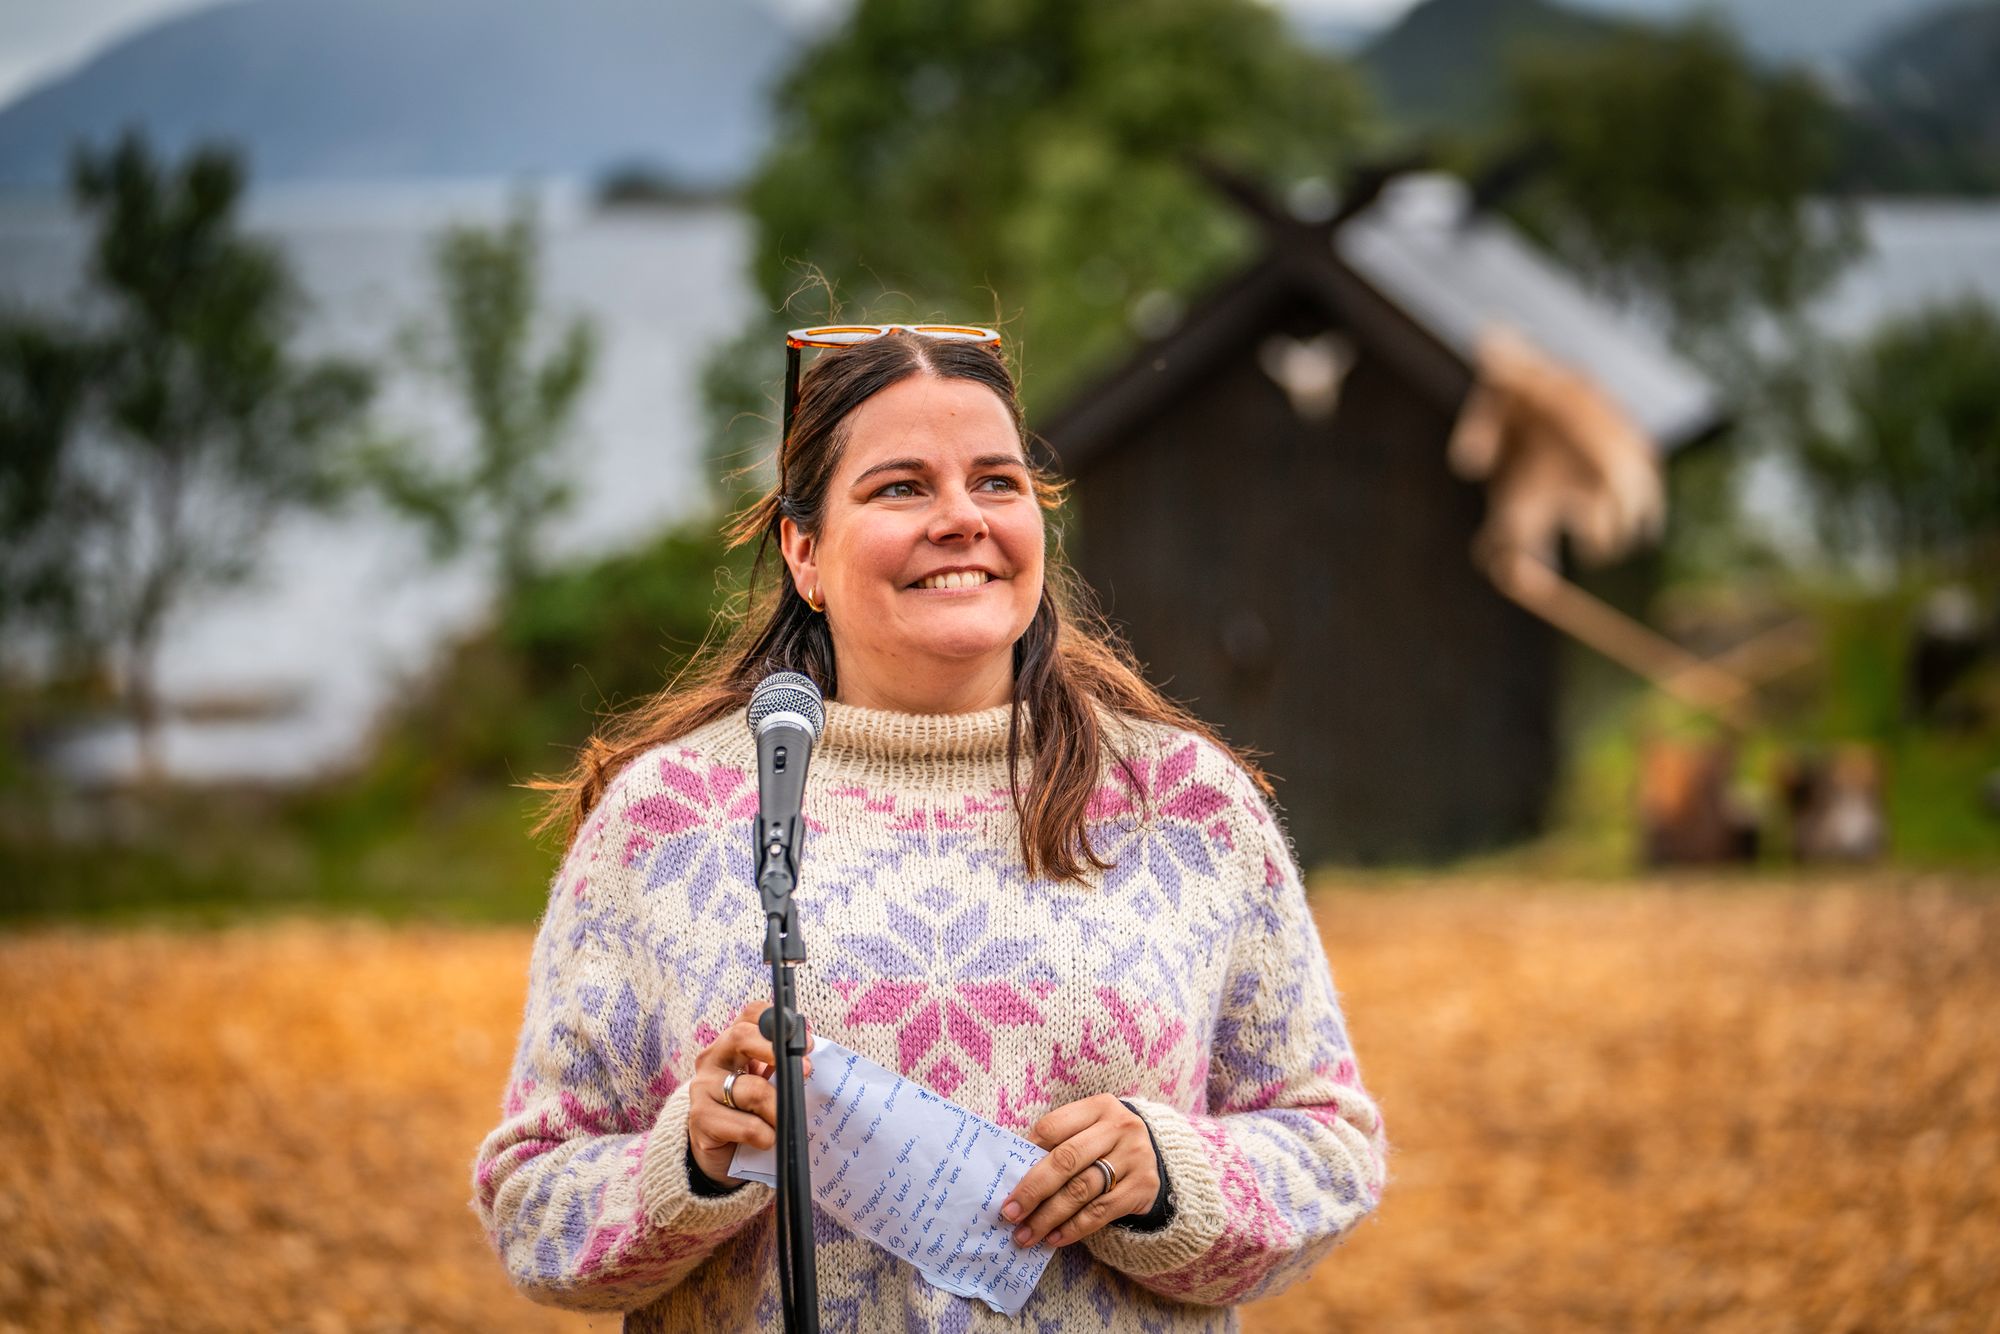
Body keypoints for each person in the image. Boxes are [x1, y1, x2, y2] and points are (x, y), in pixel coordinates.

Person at [471, 326, 1388, 1332]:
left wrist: (1171, 1172)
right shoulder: (664, 819)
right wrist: (685, 1157)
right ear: (803, 550)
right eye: (900, 487)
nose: (960, 517)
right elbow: (532, 1205)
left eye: (996, 482)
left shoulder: (1183, 800)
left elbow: (1328, 1143)